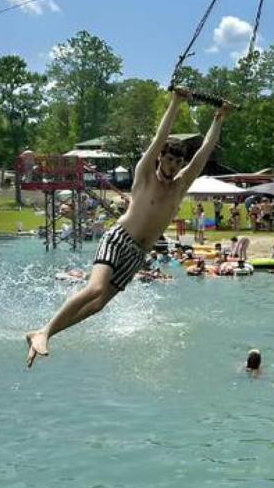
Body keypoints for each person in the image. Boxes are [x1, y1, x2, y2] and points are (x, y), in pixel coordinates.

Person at [26, 90, 232, 366]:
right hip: (119, 239)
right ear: (160, 158)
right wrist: (175, 103)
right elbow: (159, 138)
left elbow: (204, 152)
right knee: (94, 289)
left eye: (177, 162)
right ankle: (45, 332)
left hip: (137, 256)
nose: (172, 166)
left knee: (97, 306)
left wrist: (219, 119)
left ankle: (42, 333)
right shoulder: (144, 175)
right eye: (168, 159)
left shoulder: (180, 186)